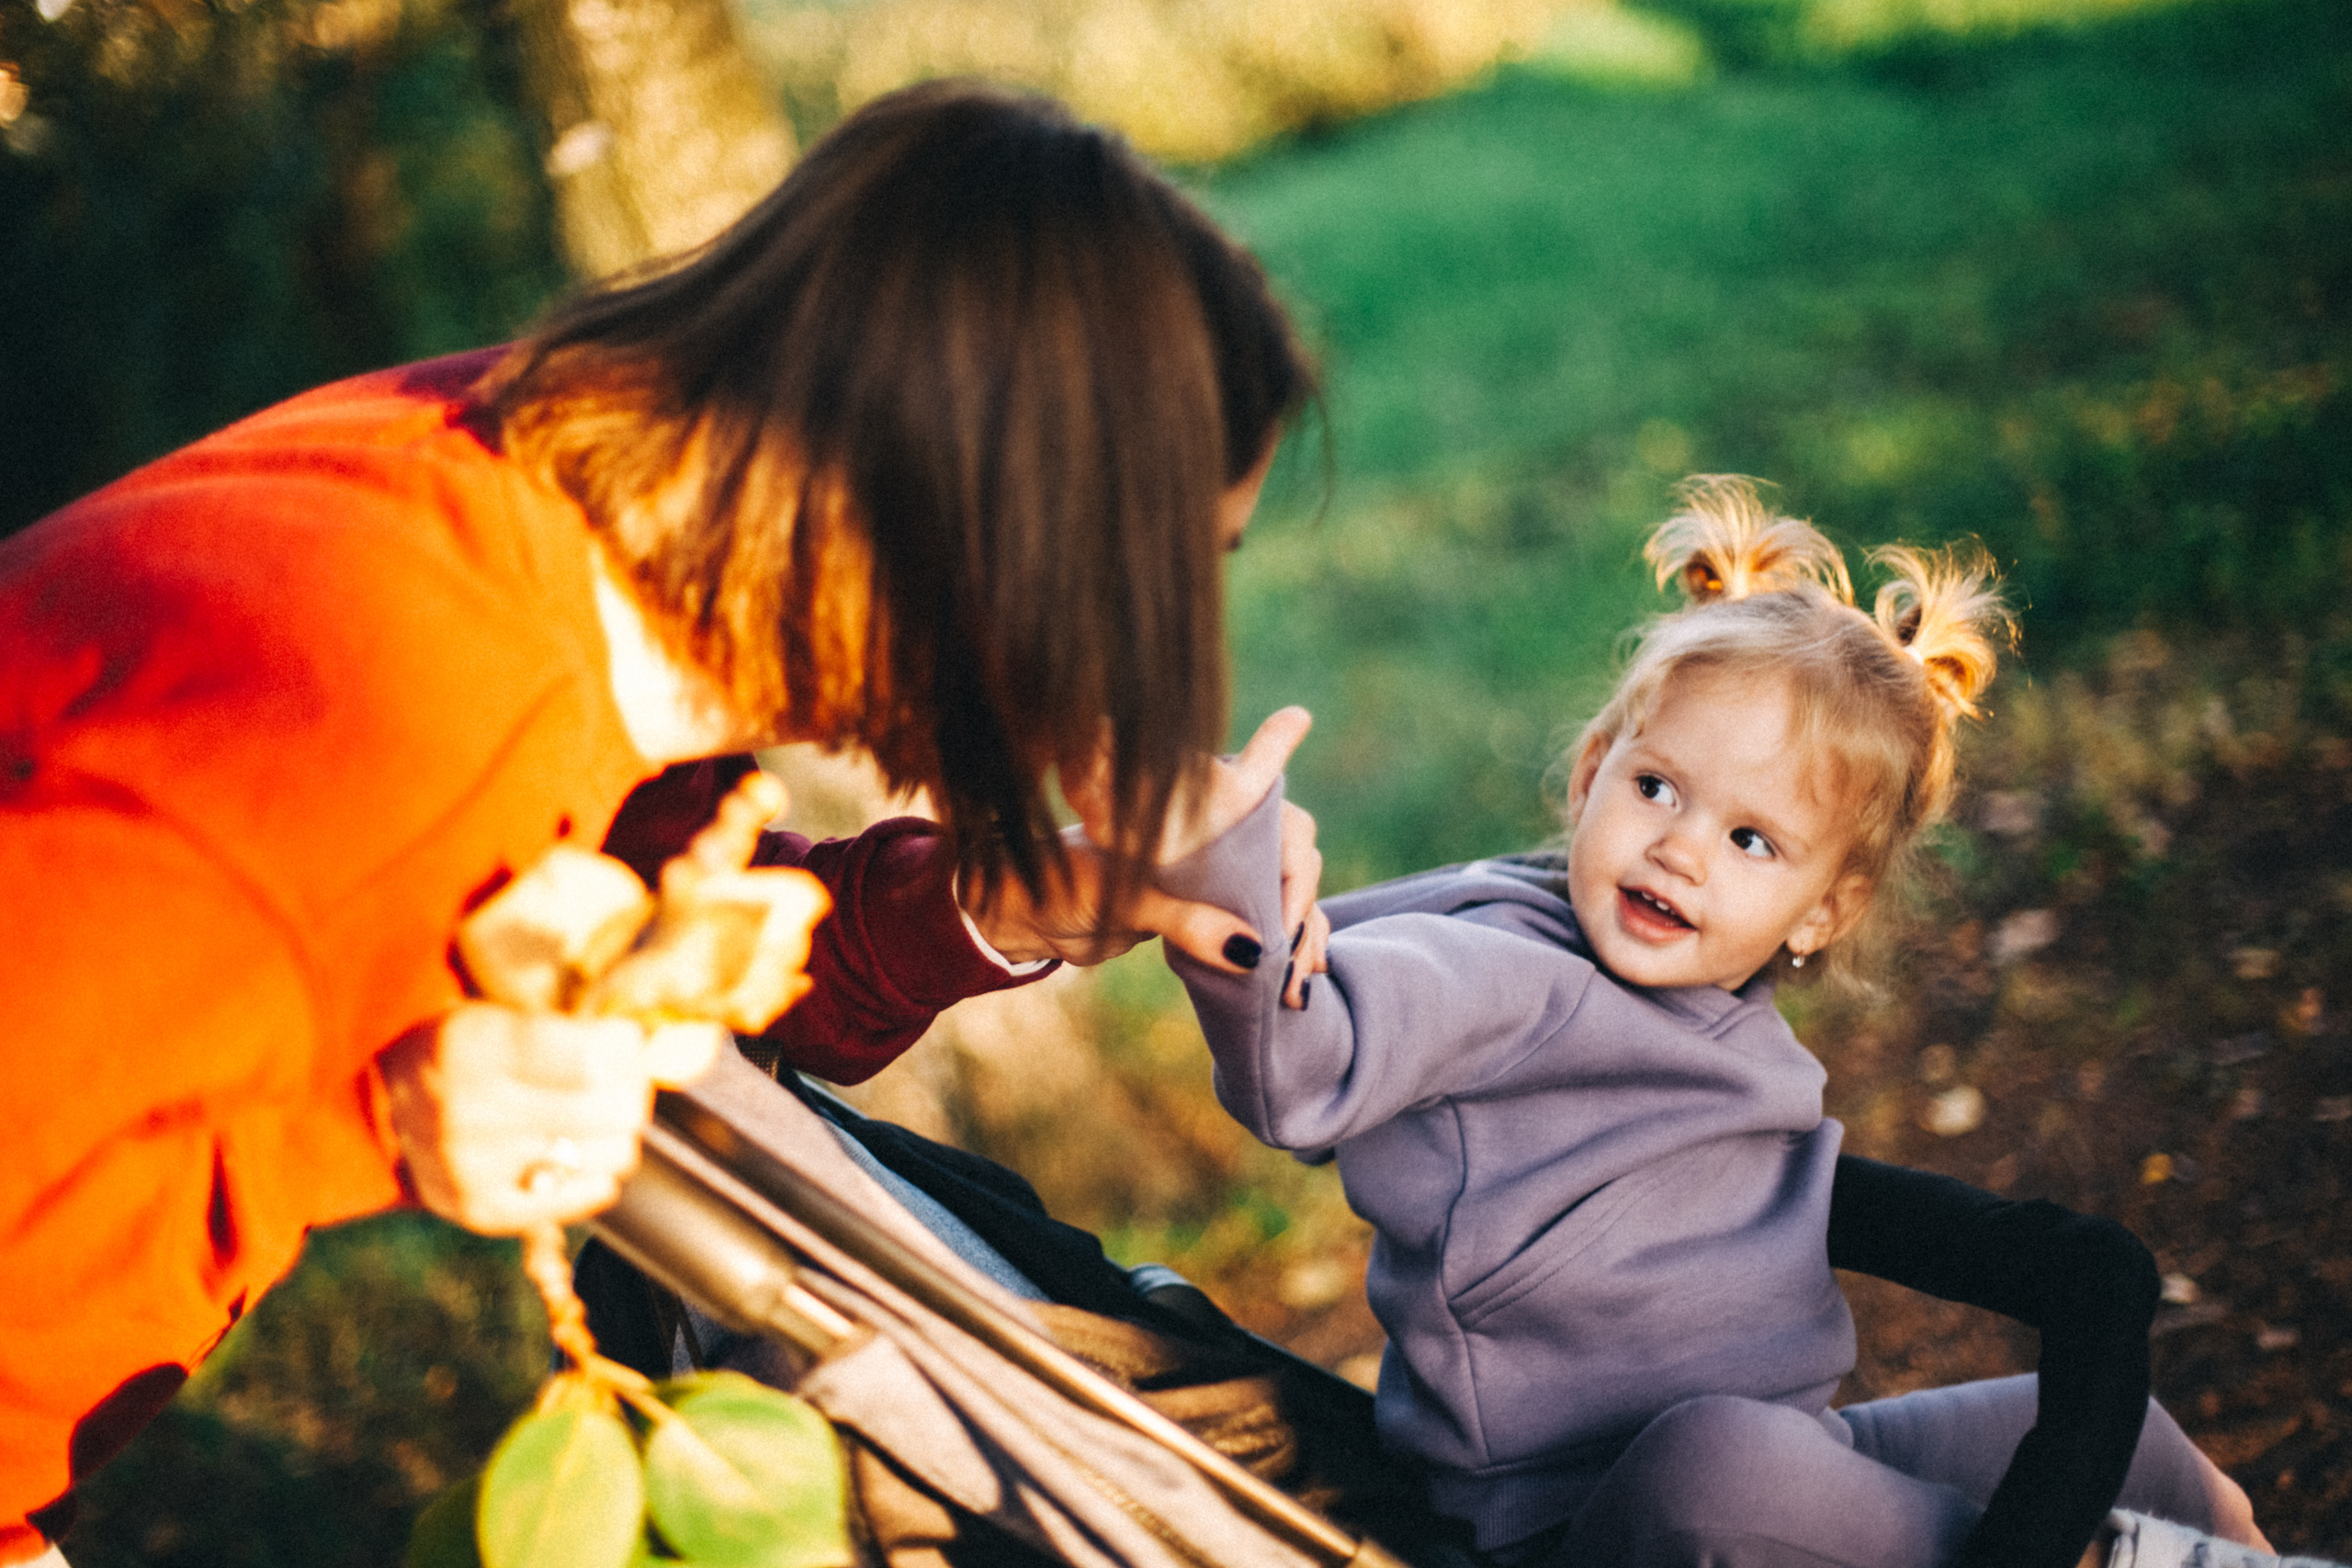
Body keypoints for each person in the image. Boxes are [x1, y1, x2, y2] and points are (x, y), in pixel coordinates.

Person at [0, 81, 1325, 1564]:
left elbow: (650, 949)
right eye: (1146, 574)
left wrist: (1023, 900)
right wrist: (384, 1106)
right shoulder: (368, 712)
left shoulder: (574, 514)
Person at [1159, 477, 2269, 1568]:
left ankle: (2237, 1553)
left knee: (2140, 1455)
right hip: (1593, 1520)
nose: (1681, 848)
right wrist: (1232, 877)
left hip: (1791, 1457)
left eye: (1752, 841)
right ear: (1594, 772)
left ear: (1823, 910)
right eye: (1656, 789)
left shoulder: (1728, 1027)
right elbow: (1303, 1067)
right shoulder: (1496, 974)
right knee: (1718, 1465)